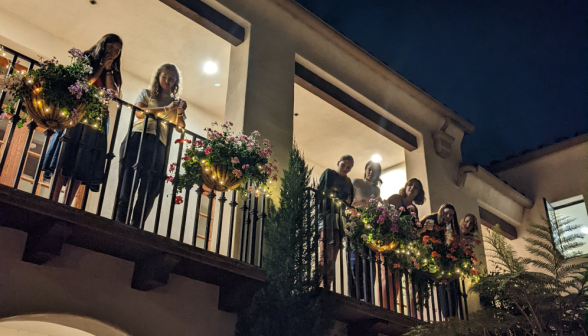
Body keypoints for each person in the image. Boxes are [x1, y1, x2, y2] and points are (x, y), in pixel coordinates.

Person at [43, 34, 123, 206]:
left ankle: (67, 203)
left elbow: (113, 94)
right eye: (110, 48)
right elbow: (86, 82)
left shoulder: (114, 71)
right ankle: (53, 199)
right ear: (103, 45)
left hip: (98, 117)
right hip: (78, 112)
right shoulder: (87, 58)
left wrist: (109, 69)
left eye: (117, 51)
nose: (113, 53)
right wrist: (102, 65)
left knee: (84, 161)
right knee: (65, 154)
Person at [115, 63, 186, 228]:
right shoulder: (146, 93)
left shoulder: (176, 102)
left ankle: (136, 225)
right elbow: (139, 112)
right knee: (128, 180)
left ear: (175, 82)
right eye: (164, 77)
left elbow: (180, 127)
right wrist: (166, 108)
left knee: (150, 187)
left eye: (171, 79)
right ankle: (119, 221)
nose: (167, 81)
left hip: (159, 145)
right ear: (158, 77)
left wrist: (180, 112)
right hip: (138, 138)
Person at [317, 155, 354, 290]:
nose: (345, 168)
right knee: (325, 255)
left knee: (333, 257)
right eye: (343, 165)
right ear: (338, 163)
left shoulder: (349, 182)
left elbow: (350, 202)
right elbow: (323, 193)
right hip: (328, 219)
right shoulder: (329, 174)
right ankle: (316, 283)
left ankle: (327, 286)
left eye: (348, 167)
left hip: (340, 223)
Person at [420, 204, 461, 319]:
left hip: (439, 263)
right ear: (440, 211)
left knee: (449, 284)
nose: (448, 216)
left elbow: (448, 245)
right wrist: (424, 230)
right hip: (426, 259)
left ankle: (451, 316)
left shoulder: (447, 228)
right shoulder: (430, 220)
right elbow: (416, 231)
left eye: (451, 215)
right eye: (446, 213)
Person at [350, 160, 381, 301]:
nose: (371, 173)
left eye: (374, 171)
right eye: (369, 169)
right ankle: (355, 295)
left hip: (370, 229)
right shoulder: (356, 182)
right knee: (355, 260)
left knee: (369, 262)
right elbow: (349, 201)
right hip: (356, 225)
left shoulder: (376, 190)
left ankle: (368, 297)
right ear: (365, 169)